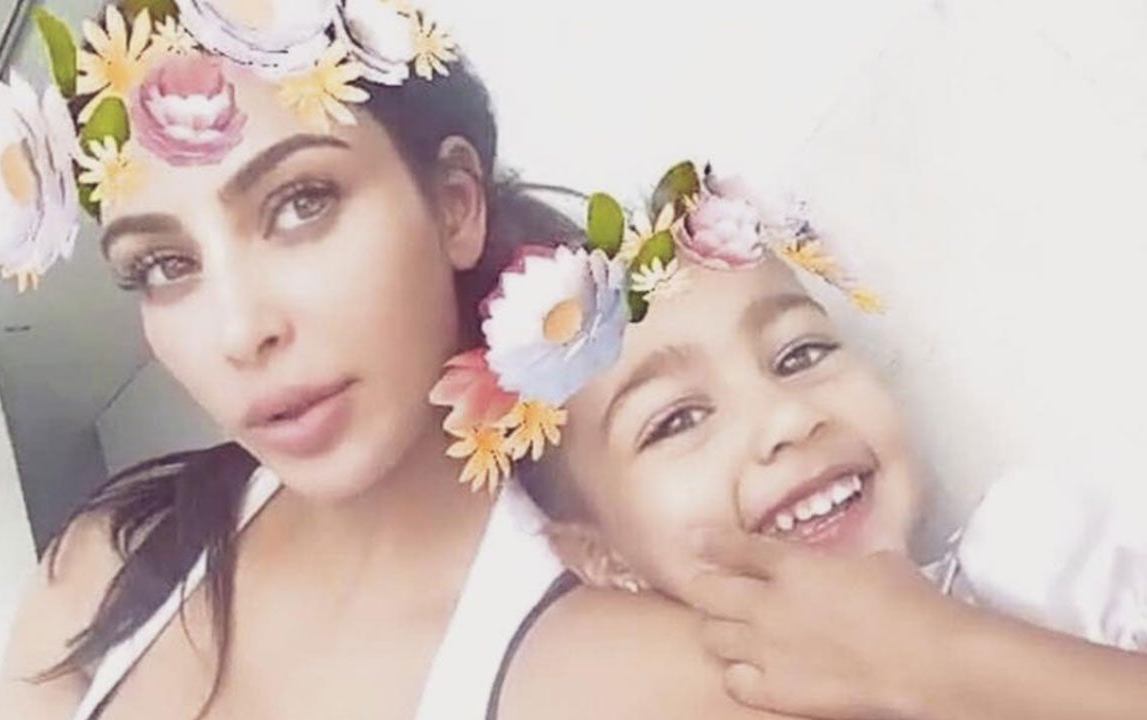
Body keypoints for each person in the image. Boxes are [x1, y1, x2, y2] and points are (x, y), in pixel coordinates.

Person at [0, 5, 789, 719]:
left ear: (453, 206)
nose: (240, 330)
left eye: (301, 203)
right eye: (164, 266)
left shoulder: (644, 681)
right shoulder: (107, 566)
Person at [432, 158, 1147, 720]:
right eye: (678, 420)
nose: (788, 419)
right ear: (601, 556)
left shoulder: (1045, 565)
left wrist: (935, 655)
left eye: (800, 355)